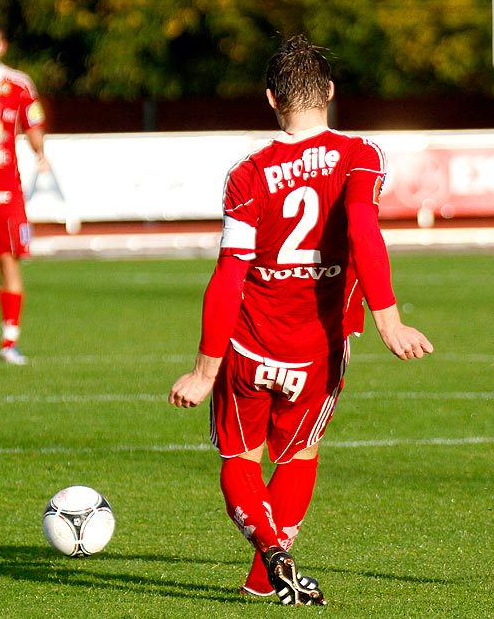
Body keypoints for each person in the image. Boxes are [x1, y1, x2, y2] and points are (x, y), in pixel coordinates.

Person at [168, 35, 433, 605]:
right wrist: (389, 321)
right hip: (317, 348)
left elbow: (230, 274)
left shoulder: (248, 174)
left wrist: (204, 370)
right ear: (330, 92)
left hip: (249, 344)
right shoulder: (362, 154)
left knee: (240, 457)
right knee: (300, 455)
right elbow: (363, 229)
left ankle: (269, 558)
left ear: (271, 99)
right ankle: (267, 575)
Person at [0, 18, 47, 365]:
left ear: (1, 47)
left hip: (6, 192)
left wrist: (40, 152)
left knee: (7, 264)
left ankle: (10, 341)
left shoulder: (18, 84)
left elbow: (33, 121)